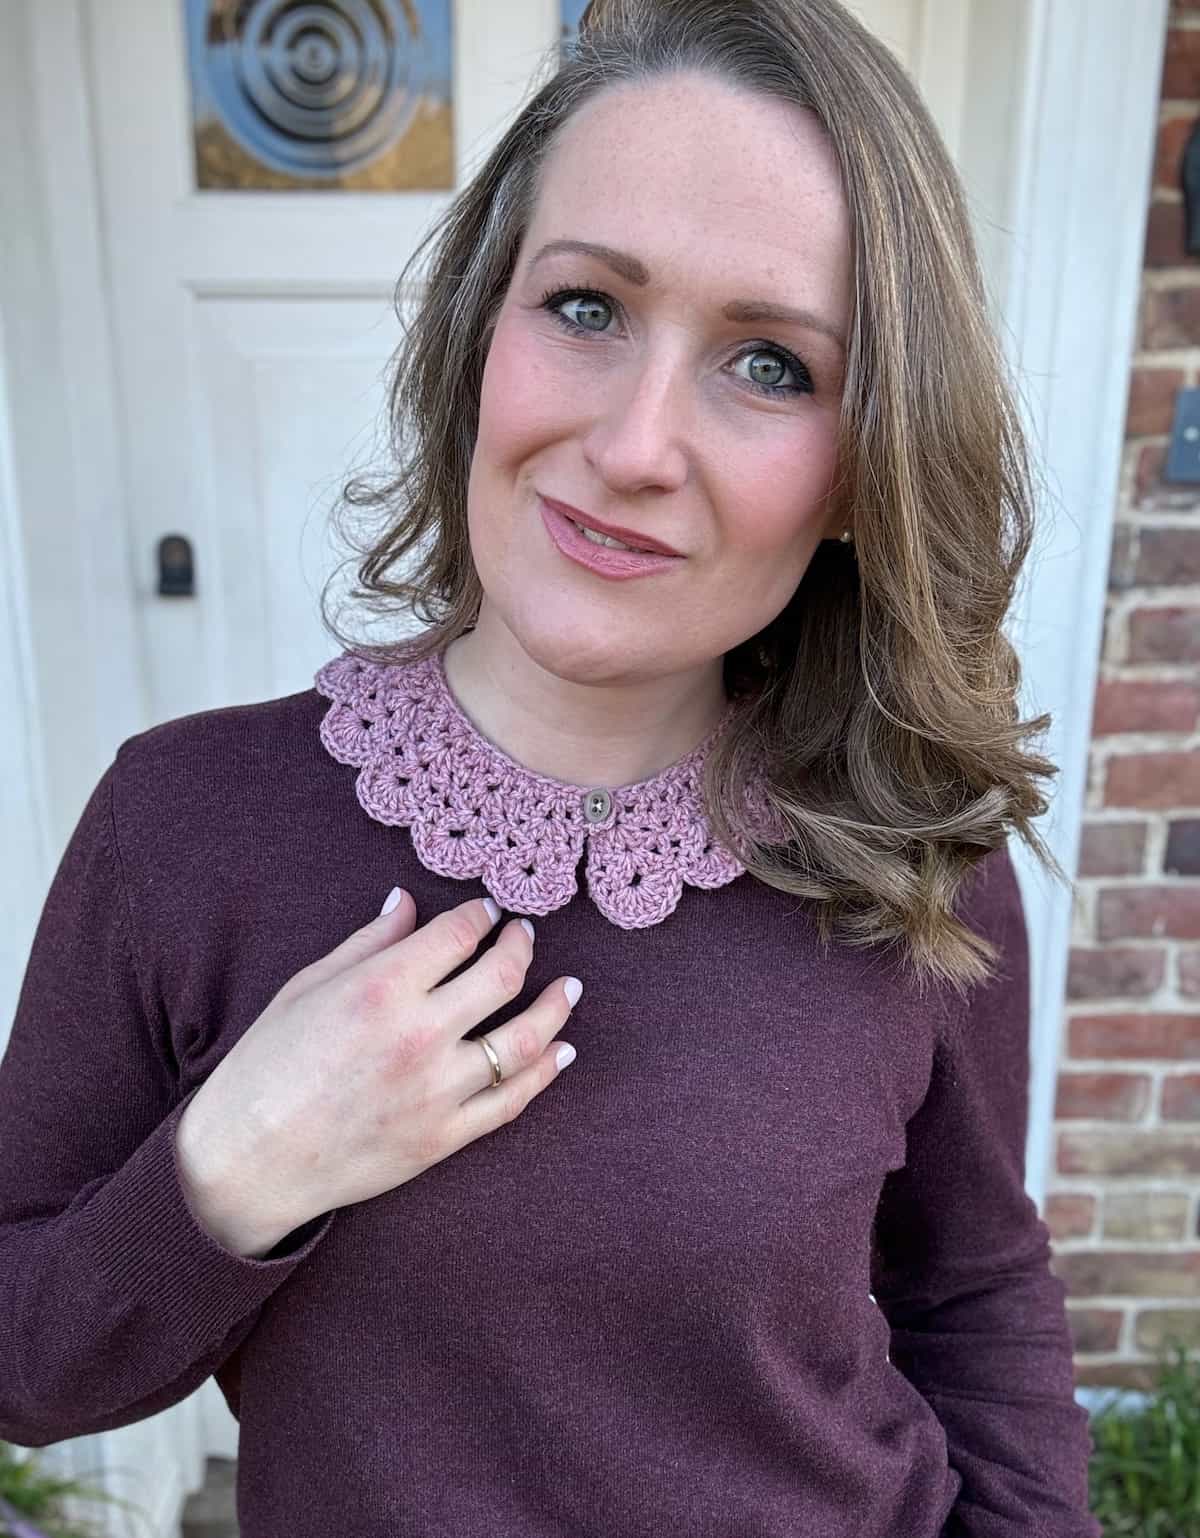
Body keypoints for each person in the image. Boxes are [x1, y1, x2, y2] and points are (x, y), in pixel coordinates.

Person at [0, 0, 1100, 1533]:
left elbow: (977, 1295)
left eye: (772, 363)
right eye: (586, 307)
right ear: (483, 331)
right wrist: (236, 1166)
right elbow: (25, 1356)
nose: (637, 443)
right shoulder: (184, 828)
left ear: (865, 468)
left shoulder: (915, 849)